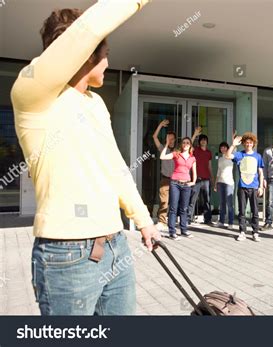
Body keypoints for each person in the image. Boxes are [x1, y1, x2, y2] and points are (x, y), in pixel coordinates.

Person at [10, 0, 159, 315]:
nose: (106, 63)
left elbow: (115, 168)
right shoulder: (31, 92)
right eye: (104, 56)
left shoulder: (95, 103)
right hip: (66, 255)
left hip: (114, 245)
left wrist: (144, 220)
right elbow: (90, 28)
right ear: (85, 52)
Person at [225, 132, 264, 242]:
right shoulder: (239, 155)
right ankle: (242, 232)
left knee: (255, 211)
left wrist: (261, 187)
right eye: (246, 143)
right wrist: (233, 145)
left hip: (254, 187)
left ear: (253, 144)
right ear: (244, 144)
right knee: (242, 211)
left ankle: (255, 232)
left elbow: (261, 172)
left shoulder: (258, 156)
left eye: (250, 143)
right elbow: (227, 156)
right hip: (242, 187)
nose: (248, 144)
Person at [160, 136, 197, 240]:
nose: (185, 144)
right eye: (184, 143)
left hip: (186, 185)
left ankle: (184, 230)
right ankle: (172, 232)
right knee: (173, 208)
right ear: (182, 144)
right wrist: (167, 144)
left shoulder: (192, 158)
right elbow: (162, 157)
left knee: (184, 209)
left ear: (190, 145)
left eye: (188, 143)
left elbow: (194, 171)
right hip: (175, 183)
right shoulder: (176, 154)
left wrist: (193, 182)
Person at [152, 119, 176, 231]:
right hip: (165, 179)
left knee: (174, 202)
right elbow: (154, 137)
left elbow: (189, 143)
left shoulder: (178, 150)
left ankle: (171, 221)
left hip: (176, 180)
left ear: (175, 139)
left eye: (172, 138)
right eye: (168, 138)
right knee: (164, 202)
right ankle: (162, 221)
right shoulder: (163, 149)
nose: (170, 140)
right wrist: (160, 125)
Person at [188, 126, 214, 225]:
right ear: (199, 142)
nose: (203, 141)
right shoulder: (195, 150)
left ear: (207, 142)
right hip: (197, 179)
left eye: (205, 140)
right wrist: (195, 134)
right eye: (202, 140)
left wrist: (212, 178)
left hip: (206, 179)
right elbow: (189, 145)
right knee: (193, 200)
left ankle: (208, 219)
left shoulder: (209, 153)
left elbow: (209, 166)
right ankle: (188, 219)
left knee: (207, 200)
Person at [214, 141, 235, 229]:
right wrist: (215, 184)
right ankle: (221, 221)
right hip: (220, 182)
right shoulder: (220, 159)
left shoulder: (231, 157)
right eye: (221, 147)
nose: (223, 149)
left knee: (229, 204)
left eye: (224, 147)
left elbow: (234, 148)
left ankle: (230, 223)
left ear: (227, 148)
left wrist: (233, 141)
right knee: (222, 203)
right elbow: (218, 172)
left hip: (229, 182)